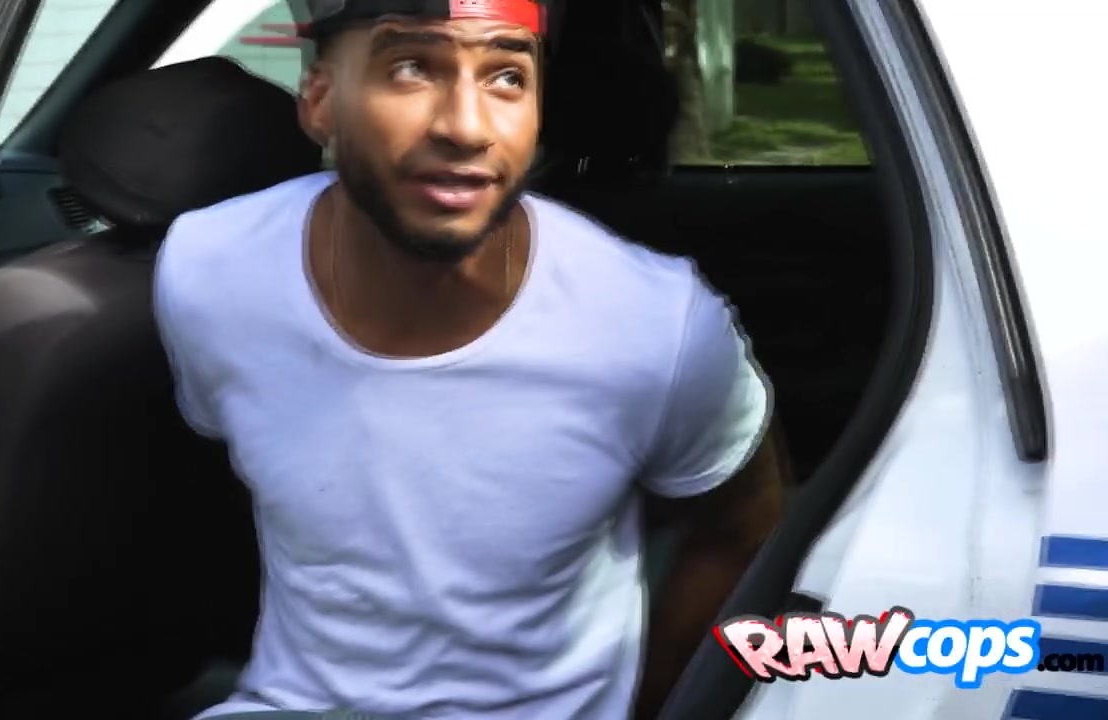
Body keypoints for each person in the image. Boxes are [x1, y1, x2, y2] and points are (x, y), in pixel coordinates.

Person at [153, 0, 787, 717]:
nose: (465, 126)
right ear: (321, 101)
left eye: (507, 77)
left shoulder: (654, 324)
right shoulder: (209, 270)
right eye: (411, 68)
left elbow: (747, 529)